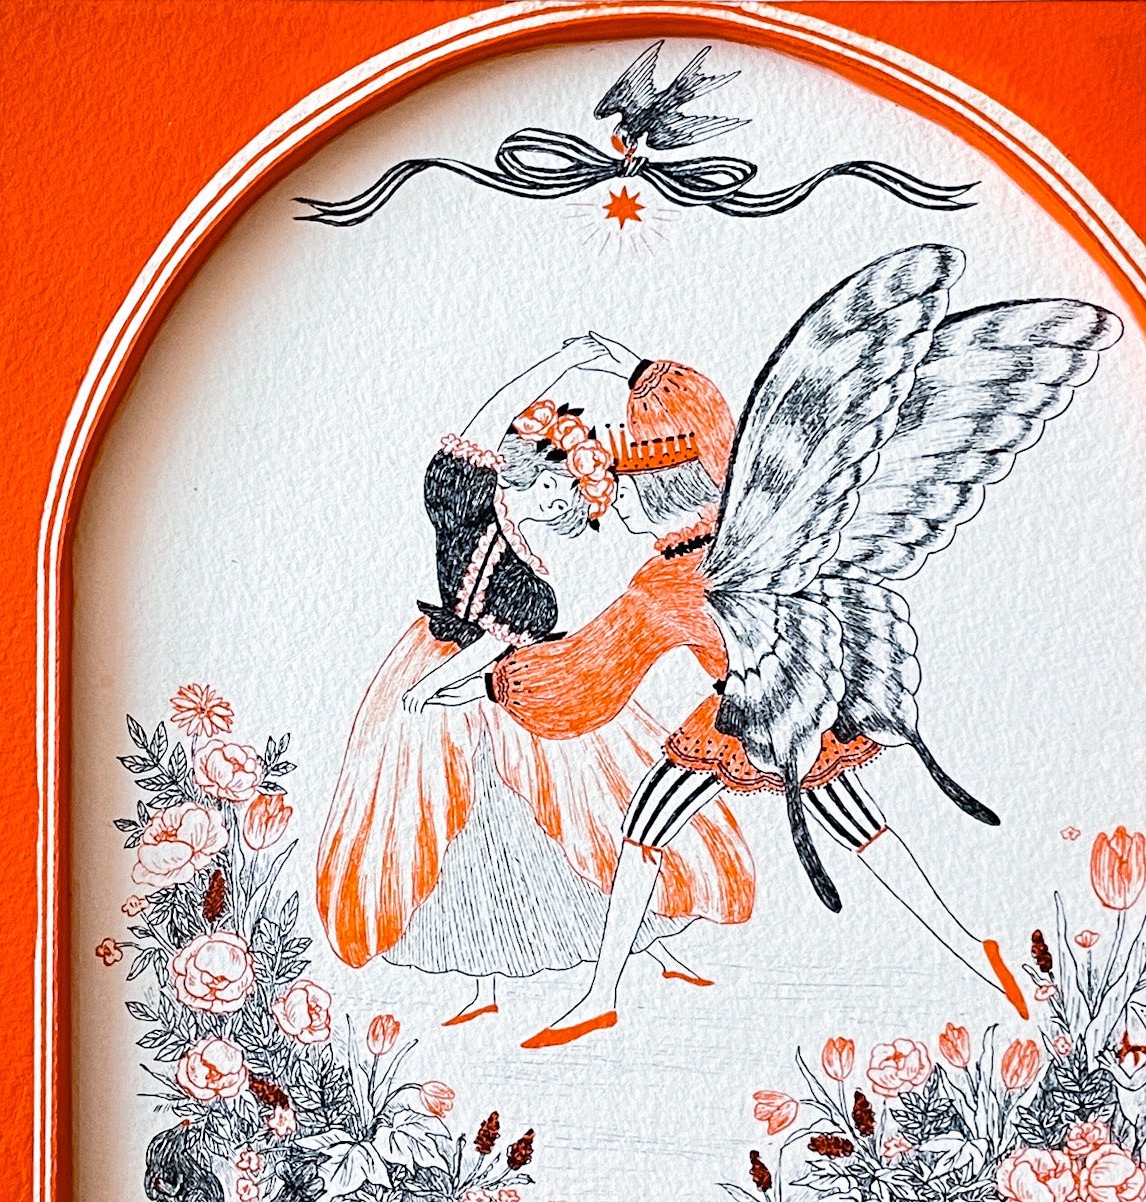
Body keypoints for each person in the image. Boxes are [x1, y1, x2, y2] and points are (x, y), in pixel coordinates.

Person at [457, 337, 1030, 1048]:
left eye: (623, 489)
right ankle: (973, 948)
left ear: (657, 493)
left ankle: (600, 995)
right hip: (806, 696)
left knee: (645, 828)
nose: (613, 505)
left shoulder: (664, 582)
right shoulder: (736, 534)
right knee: (863, 830)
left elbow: (590, 673)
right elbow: (692, 410)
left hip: (752, 714)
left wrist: (497, 681)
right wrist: (630, 368)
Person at [315, 340, 754, 1025]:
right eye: (557, 486)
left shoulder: (535, 588)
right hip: (444, 669)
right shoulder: (464, 507)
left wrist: (445, 687)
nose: (560, 504)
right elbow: (476, 437)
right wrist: (562, 363)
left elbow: (501, 645)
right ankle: (485, 985)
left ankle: (646, 945)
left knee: (582, 816)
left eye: (573, 500)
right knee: (464, 829)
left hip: (510, 685)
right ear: (531, 471)